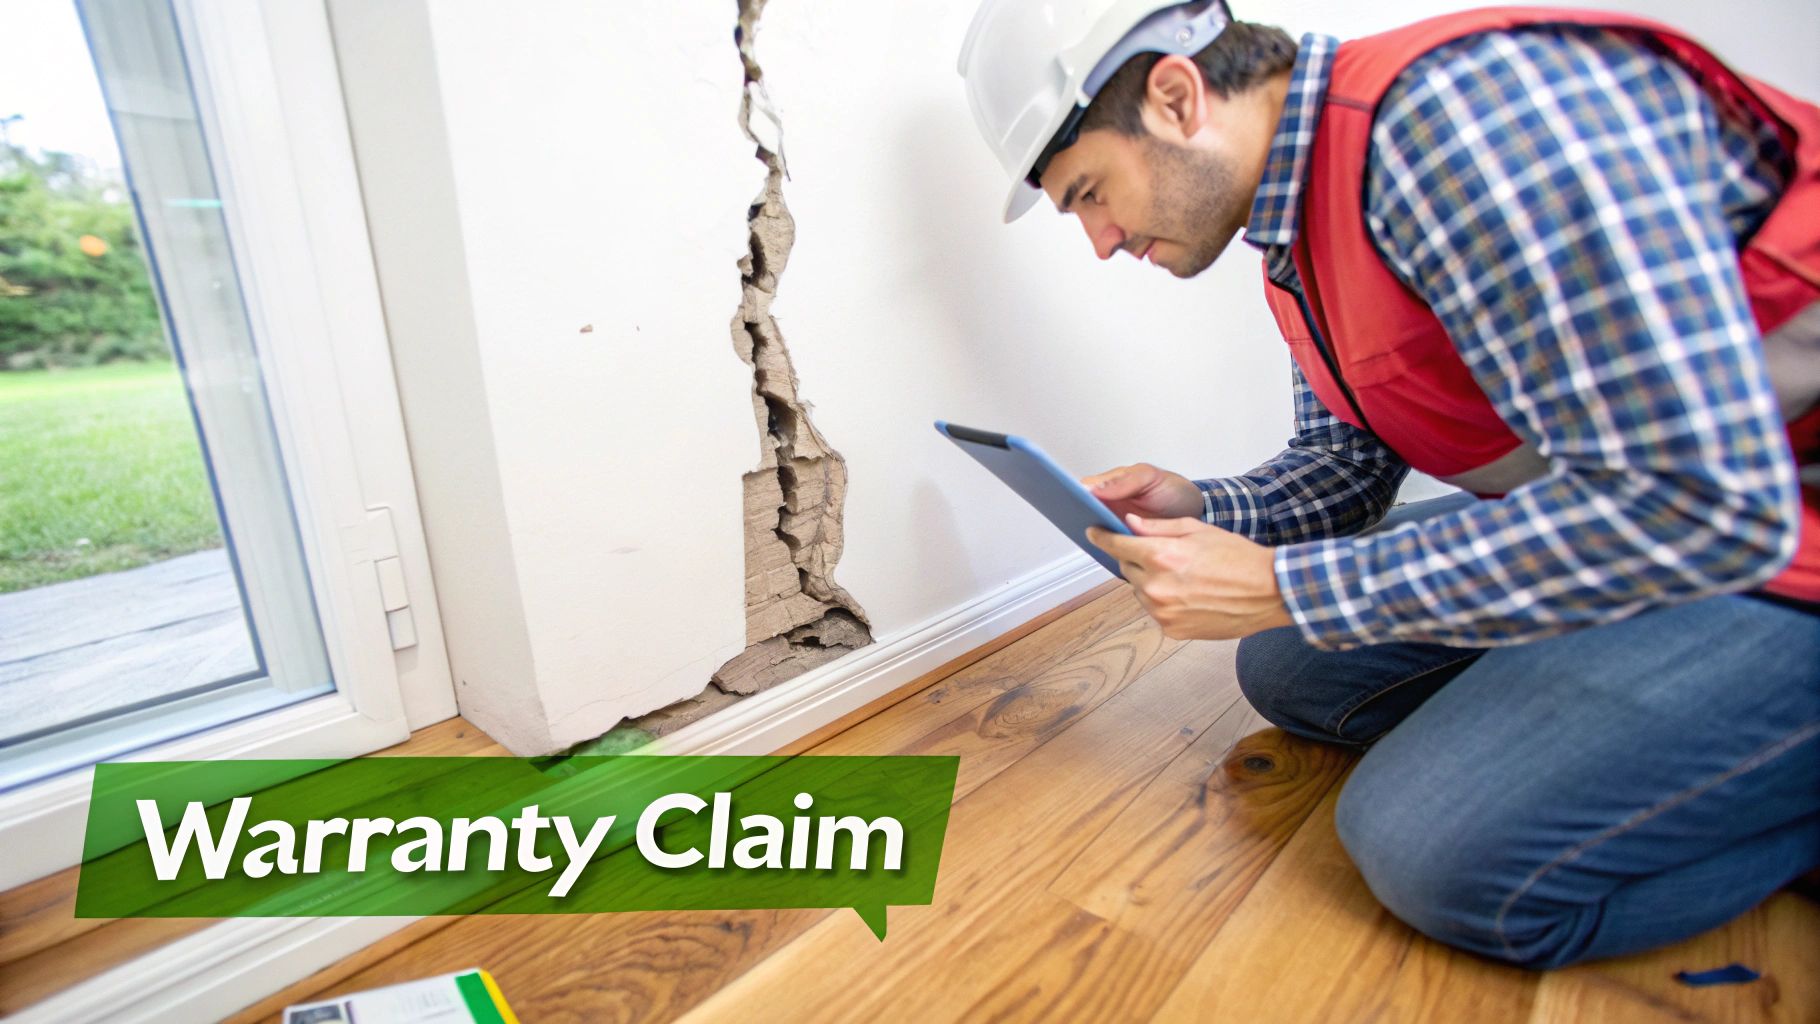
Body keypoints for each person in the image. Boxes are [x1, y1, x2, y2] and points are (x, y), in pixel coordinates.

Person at [957, 0, 1819, 969]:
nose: (1100, 241)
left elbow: (1686, 499)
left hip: (1761, 526)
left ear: (1175, 96)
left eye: (1088, 192)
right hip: (1665, 518)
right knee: (1288, 665)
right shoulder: (1292, 233)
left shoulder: (1461, 128)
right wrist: (1201, 507)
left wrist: (1289, 584)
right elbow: (1348, 467)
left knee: (1431, 851)